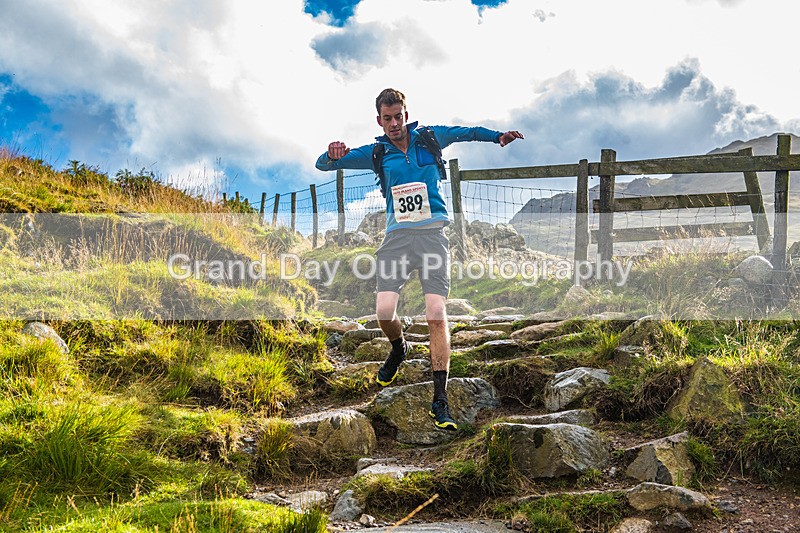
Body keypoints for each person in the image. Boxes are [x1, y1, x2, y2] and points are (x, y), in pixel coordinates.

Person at [316, 88, 523, 431]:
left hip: (431, 236)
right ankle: (399, 348)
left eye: (399, 116)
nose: (395, 123)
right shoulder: (377, 152)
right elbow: (325, 165)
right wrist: (330, 154)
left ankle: (439, 400)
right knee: (383, 311)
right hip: (397, 238)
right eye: (388, 118)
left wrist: (496, 136)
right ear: (379, 120)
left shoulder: (429, 138)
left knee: (436, 314)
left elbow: (466, 132)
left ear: (406, 114)